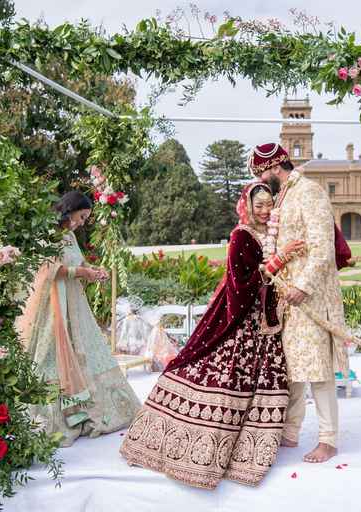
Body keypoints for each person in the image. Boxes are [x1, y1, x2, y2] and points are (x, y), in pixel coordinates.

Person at [120, 182, 304, 489]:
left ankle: (254, 445)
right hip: (243, 321)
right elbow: (240, 282)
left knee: (267, 379)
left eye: (268, 204)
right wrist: (278, 260)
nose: (264, 210)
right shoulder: (240, 236)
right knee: (224, 375)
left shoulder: (274, 232)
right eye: (258, 205)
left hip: (269, 321)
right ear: (247, 206)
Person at [16, 191, 140, 446]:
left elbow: (79, 262)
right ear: (70, 210)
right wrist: (81, 271)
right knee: (50, 353)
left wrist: (93, 271)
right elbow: (49, 269)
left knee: (84, 348)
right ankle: (54, 417)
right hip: (53, 305)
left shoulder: (71, 237)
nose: (83, 222)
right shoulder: (47, 235)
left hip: (74, 303)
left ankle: (87, 410)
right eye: (82, 216)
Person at [251, 142, 348, 464]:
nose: (262, 179)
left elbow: (322, 248)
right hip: (288, 299)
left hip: (312, 298)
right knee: (292, 367)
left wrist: (303, 287)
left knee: (318, 369)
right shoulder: (284, 196)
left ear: (275, 166)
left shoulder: (309, 191)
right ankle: (290, 432)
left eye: (262, 172)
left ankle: (328, 439)